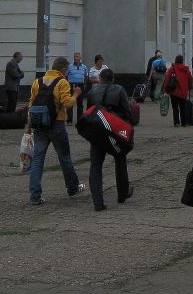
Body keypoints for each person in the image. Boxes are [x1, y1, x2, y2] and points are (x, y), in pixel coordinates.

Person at [25, 56, 86, 206]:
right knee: (64, 157)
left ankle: (35, 196)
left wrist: (28, 126)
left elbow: (31, 105)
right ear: (63, 69)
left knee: (38, 159)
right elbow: (67, 103)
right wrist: (76, 94)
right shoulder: (62, 82)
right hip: (57, 125)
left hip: (39, 125)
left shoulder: (37, 82)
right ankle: (72, 188)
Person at [86, 67, 135, 211]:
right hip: (115, 132)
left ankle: (97, 202)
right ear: (113, 79)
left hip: (97, 132)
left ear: (100, 78)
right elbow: (128, 112)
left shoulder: (91, 92)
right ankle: (122, 194)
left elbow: (88, 113)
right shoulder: (119, 90)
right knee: (120, 161)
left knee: (95, 165)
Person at [164, 55, 193, 126]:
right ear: (182, 61)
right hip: (183, 91)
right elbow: (190, 79)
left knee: (175, 108)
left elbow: (167, 79)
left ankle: (177, 122)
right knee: (182, 107)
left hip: (173, 91)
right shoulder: (186, 70)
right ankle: (183, 122)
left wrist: (166, 89)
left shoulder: (172, 69)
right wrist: (190, 87)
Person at [65, 52, 89, 123]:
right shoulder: (69, 66)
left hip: (80, 85)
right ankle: (69, 121)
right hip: (71, 85)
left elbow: (86, 76)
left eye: (77, 57)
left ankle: (79, 120)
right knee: (70, 102)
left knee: (80, 103)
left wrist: (85, 84)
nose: (76, 58)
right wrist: (67, 85)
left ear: (80, 58)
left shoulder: (84, 67)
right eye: (75, 57)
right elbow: (66, 75)